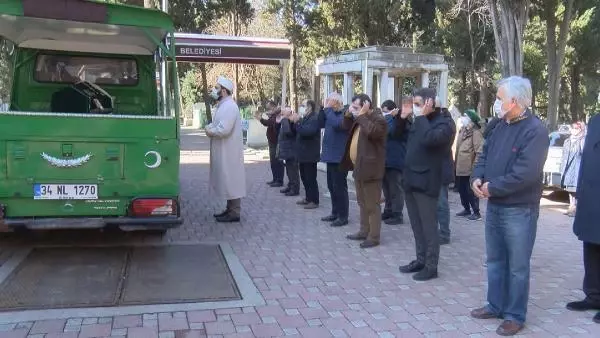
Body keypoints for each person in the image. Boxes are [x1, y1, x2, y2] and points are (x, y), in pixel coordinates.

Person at [470, 76, 549, 336]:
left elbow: (525, 173)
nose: (496, 102)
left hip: (519, 209)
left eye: (500, 97)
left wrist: (492, 188)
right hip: (495, 206)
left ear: (514, 101)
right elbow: (484, 155)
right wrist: (477, 178)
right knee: (494, 260)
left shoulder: (535, 130)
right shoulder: (499, 125)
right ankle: (495, 305)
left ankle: (515, 315)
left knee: (517, 266)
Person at [397, 88, 454, 281]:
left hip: (427, 182)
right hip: (411, 180)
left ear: (430, 103)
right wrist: (403, 119)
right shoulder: (418, 121)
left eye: (419, 103)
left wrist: (420, 118)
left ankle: (431, 266)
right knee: (416, 225)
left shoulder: (444, 123)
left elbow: (431, 140)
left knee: (429, 227)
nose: (416, 108)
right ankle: (420, 260)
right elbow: (401, 139)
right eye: (415, 104)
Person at [340, 94, 387, 248]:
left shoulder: (377, 119)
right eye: (352, 107)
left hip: (371, 169)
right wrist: (348, 113)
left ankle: (374, 237)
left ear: (366, 105)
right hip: (359, 167)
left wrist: (361, 116)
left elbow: (374, 132)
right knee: (361, 202)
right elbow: (345, 127)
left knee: (372, 205)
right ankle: (363, 230)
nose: (353, 110)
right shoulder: (360, 119)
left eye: (356, 107)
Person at [567, 114, 600, 324]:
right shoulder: (596, 120)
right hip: (591, 196)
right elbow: (587, 157)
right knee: (591, 247)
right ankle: (594, 296)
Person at [206, 76, 246, 223]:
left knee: (232, 181)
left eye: (216, 88)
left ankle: (235, 213)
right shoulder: (224, 105)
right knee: (228, 181)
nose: (214, 90)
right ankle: (229, 209)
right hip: (225, 151)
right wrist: (211, 128)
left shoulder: (230, 106)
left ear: (224, 91)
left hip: (229, 152)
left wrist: (209, 130)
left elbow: (223, 130)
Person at [319, 93, 352, 227]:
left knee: (340, 187)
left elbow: (338, 124)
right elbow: (320, 122)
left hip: (339, 157)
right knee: (331, 186)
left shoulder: (344, 113)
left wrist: (327, 110)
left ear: (337, 102)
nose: (327, 102)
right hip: (330, 156)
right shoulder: (329, 113)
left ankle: (343, 216)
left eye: (329, 100)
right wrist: (323, 109)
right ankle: (335, 212)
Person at [381, 99, 408, 225]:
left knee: (395, 189)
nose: (384, 115)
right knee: (386, 188)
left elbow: (390, 131)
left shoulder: (399, 121)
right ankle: (388, 210)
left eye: (385, 112)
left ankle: (397, 214)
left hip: (396, 160)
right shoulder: (389, 119)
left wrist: (389, 118)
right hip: (385, 159)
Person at [455, 109, 484, 221]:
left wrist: (475, 167)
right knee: (462, 190)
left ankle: (476, 212)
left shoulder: (476, 133)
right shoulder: (463, 130)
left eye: (465, 116)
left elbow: (479, 151)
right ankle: (466, 208)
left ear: (471, 120)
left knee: (470, 190)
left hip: (470, 168)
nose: (463, 117)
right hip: (461, 167)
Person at [292, 99, 321, 209]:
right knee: (304, 177)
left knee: (311, 178)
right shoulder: (305, 118)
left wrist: (297, 122)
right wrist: (295, 123)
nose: (301, 107)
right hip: (303, 154)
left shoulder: (314, 118)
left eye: (303, 105)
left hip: (310, 154)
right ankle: (308, 198)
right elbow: (298, 131)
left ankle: (314, 200)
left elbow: (307, 132)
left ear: (309, 107)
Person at [436, 104, 457, 245]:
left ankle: (444, 233)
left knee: (441, 203)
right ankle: (439, 231)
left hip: (441, 169)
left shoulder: (446, 124)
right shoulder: (442, 122)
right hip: (436, 168)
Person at [560, 121, 586, 217]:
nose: (574, 130)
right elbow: (564, 155)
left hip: (577, 167)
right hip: (568, 167)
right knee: (569, 188)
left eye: (576, 128)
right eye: (573, 128)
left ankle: (575, 209)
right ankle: (571, 206)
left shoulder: (582, 140)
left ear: (580, 130)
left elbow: (583, 153)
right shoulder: (567, 141)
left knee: (576, 189)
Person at [257, 101, 284, 187]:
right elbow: (267, 124)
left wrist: (261, 119)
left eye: (269, 108)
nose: (267, 110)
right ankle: (275, 179)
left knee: (277, 161)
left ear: (273, 107)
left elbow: (270, 123)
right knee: (273, 161)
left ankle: (279, 180)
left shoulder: (277, 114)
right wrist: (261, 119)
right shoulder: (273, 115)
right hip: (272, 141)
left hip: (276, 141)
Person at [277, 107, 300, 197]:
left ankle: (294, 189)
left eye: (283, 112)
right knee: (289, 169)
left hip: (291, 149)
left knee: (293, 170)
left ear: (288, 113)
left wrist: (284, 121)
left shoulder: (289, 121)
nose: (282, 114)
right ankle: (290, 186)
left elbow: (288, 132)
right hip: (287, 149)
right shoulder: (286, 120)